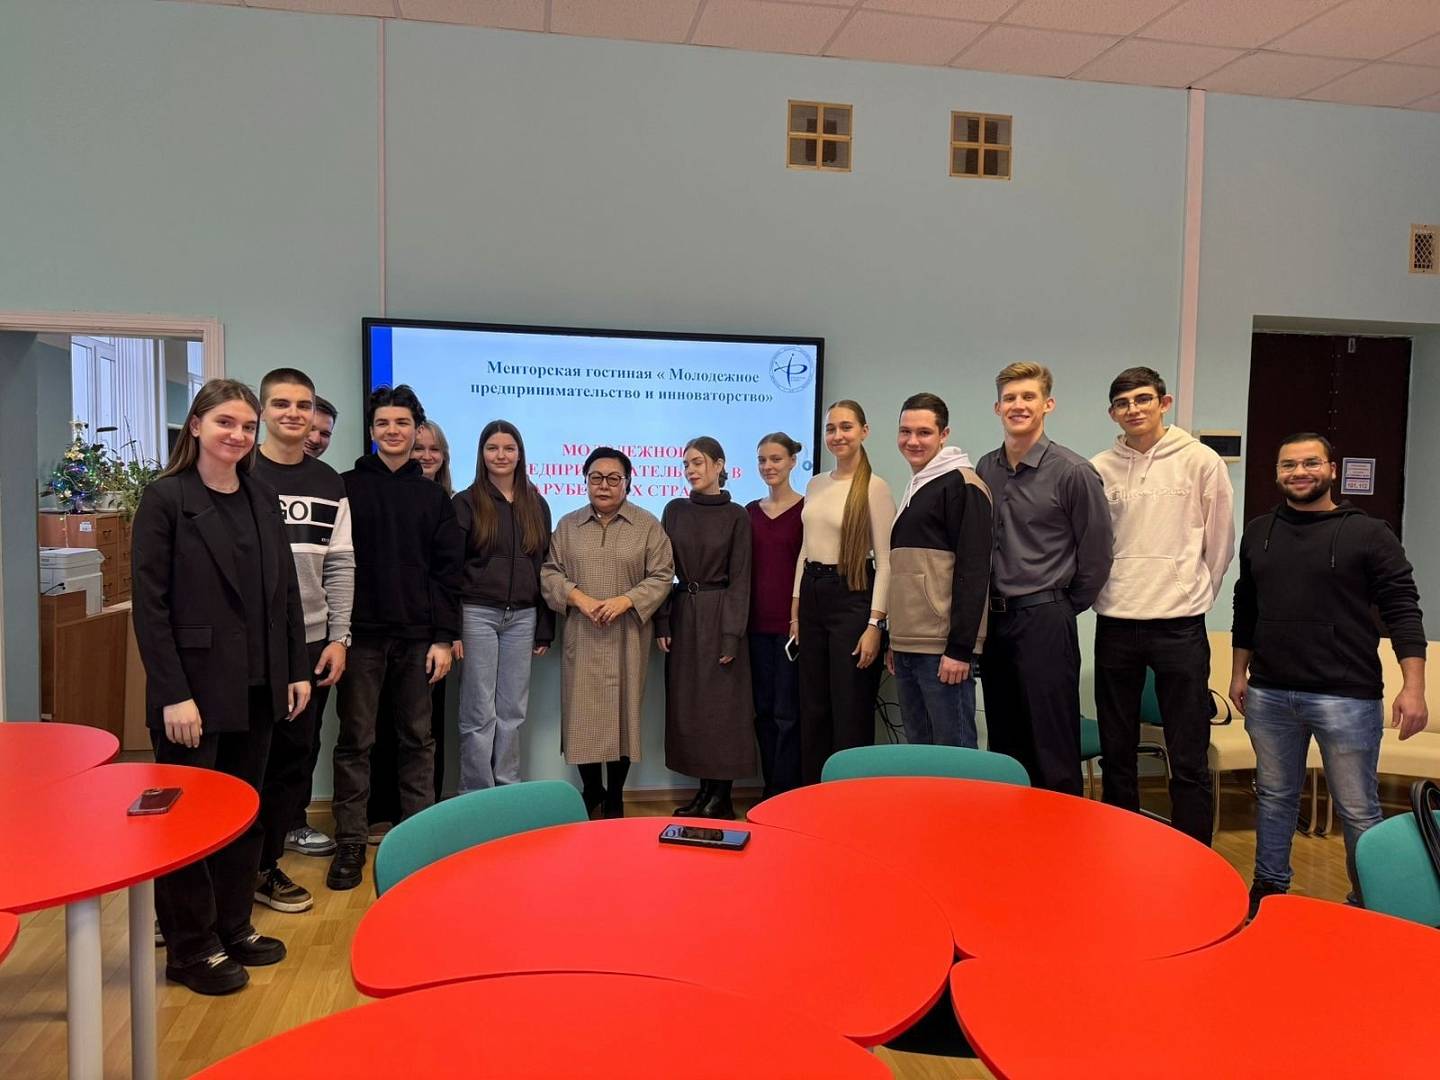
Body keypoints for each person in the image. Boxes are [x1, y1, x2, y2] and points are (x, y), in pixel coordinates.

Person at [131, 379, 310, 995]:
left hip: (258, 686)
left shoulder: (261, 496)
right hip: (194, 694)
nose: (237, 435)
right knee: (188, 824)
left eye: (247, 426)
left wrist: (294, 669)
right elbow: (150, 608)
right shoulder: (166, 498)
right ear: (196, 426)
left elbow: (285, 594)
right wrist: (172, 693)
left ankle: (234, 928)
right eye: (225, 423)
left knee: (243, 816)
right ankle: (190, 948)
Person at [1231, 432, 1428, 916]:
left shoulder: (1369, 533)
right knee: (1274, 797)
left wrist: (1414, 687)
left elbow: (1403, 609)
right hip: (1270, 693)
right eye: (1288, 465)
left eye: (1310, 463)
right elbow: (1246, 606)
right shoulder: (1258, 531)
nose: (1299, 472)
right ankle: (1269, 889)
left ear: (1332, 470)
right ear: (1277, 473)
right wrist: (1239, 672)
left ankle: (1369, 901)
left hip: (1347, 696)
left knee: (1357, 808)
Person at [327, 385, 463, 891]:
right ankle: (350, 841)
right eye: (383, 422)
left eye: (402, 423)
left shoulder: (434, 497)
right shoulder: (346, 488)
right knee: (355, 741)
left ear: (416, 430)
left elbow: (447, 574)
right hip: (359, 637)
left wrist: (444, 638)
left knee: (418, 741)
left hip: (418, 639)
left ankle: (417, 841)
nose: (393, 430)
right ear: (372, 430)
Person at [1092, 366, 1234, 845]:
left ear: (1163, 403)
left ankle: (1194, 851)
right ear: (1112, 413)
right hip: (1116, 621)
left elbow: (1220, 541)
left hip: (1180, 625)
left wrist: (1193, 593)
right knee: (1117, 747)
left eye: (1143, 399)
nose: (1133, 409)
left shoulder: (1201, 460)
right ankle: (1119, 843)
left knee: (1188, 748)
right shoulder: (1098, 468)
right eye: (1123, 403)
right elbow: (1093, 544)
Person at [976, 363, 1112, 794]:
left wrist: (1061, 606)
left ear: (1047, 404)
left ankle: (1061, 831)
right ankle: (1012, 829)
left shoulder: (1073, 472)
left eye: (1028, 397)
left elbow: (1097, 556)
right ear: (997, 407)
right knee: (1005, 740)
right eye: (1010, 398)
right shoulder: (986, 467)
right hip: (996, 622)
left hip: (1045, 619)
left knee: (1051, 743)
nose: (1018, 405)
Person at [251, 369, 355, 916]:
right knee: (244, 763)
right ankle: (215, 880)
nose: (294, 414)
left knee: (293, 762)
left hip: (313, 642)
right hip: (248, 647)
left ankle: (265, 868)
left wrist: (339, 637)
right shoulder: (239, 470)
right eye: (282, 404)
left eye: (303, 405)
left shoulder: (329, 482)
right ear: (263, 410)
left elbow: (339, 564)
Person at [541, 447, 673, 817]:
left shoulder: (647, 526)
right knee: (582, 717)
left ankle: (615, 795)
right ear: (585, 481)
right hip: (582, 634)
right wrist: (578, 598)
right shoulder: (568, 525)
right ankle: (591, 790)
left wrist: (627, 600)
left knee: (622, 717)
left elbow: (662, 575)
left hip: (627, 635)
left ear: (627, 483)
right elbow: (549, 572)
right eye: (596, 478)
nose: (604, 485)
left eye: (614, 478)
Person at [792, 400, 896, 785]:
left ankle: (849, 798)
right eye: (831, 428)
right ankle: (813, 794)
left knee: (850, 706)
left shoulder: (874, 488)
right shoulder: (816, 483)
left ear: (864, 432)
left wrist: (875, 625)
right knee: (813, 707)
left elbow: (886, 562)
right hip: (813, 594)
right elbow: (805, 550)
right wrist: (795, 612)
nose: (838, 435)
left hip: (852, 595)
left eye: (846, 427)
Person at [657, 437, 755, 820]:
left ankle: (722, 796)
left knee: (722, 708)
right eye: (686, 464)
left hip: (720, 614)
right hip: (684, 613)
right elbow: (662, 571)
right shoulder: (674, 510)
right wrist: (663, 620)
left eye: (697, 462)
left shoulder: (737, 516)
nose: (690, 470)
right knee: (691, 707)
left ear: (719, 465)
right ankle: (703, 794)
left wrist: (731, 634)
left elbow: (741, 579)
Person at [886, 393, 992, 749]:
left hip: (942, 649)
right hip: (909, 644)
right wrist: (896, 639)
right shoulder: (918, 485)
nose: (912, 441)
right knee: (920, 754)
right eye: (905, 431)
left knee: (953, 754)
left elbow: (974, 571)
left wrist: (960, 649)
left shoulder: (963, 484)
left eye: (924, 432)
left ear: (944, 435)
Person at [453, 420, 554, 791]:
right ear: (481, 454)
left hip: (523, 618)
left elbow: (544, 567)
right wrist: (451, 630)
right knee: (478, 711)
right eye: (492, 448)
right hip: (476, 615)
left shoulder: (536, 504)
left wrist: (545, 627)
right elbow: (452, 569)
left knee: (513, 710)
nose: (501, 455)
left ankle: (508, 788)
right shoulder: (465, 502)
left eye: (509, 448)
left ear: (520, 454)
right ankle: (477, 792)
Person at [369, 417, 456, 833]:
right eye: (419, 448)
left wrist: (447, 634)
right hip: (379, 631)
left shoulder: (448, 502)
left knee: (424, 730)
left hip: (429, 634)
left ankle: (421, 818)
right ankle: (381, 811)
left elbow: (449, 573)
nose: (426, 455)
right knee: (379, 725)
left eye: (434, 449)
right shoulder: (371, 492)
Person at [747, 433, 805, 798]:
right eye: (762, 460)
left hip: (791, 629)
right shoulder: (749, 512)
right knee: (764, 712)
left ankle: (786, 792)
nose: (768, 466)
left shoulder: (807, 510)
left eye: (776, 459)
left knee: (789, 713)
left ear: (792, 462)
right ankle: (769, 787)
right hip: (754, 628)